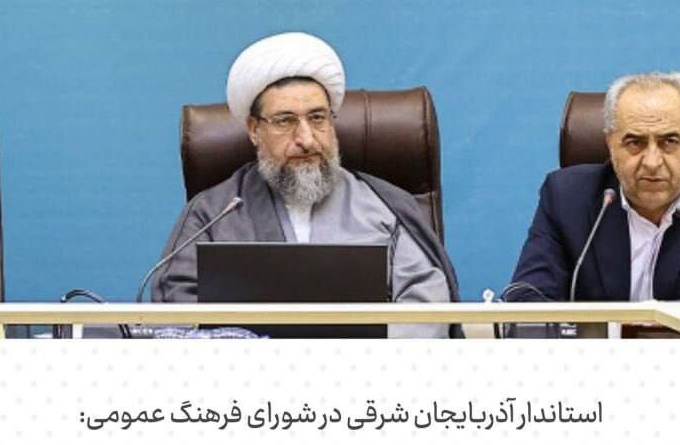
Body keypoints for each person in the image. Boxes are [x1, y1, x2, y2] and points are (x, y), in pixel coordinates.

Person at [153, 32, 460, 336]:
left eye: (317, 118)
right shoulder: (213, 214)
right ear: (254, 130)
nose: (306, 139)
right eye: (285, 121)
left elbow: (426, 306)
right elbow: (176, 314)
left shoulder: (386, 206)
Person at [508, 72, 680, 302]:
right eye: (634, 142)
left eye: (669, 141)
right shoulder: (565, 197)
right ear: (610, 142)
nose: (652, 162)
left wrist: (613, 331)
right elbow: (527, 298)